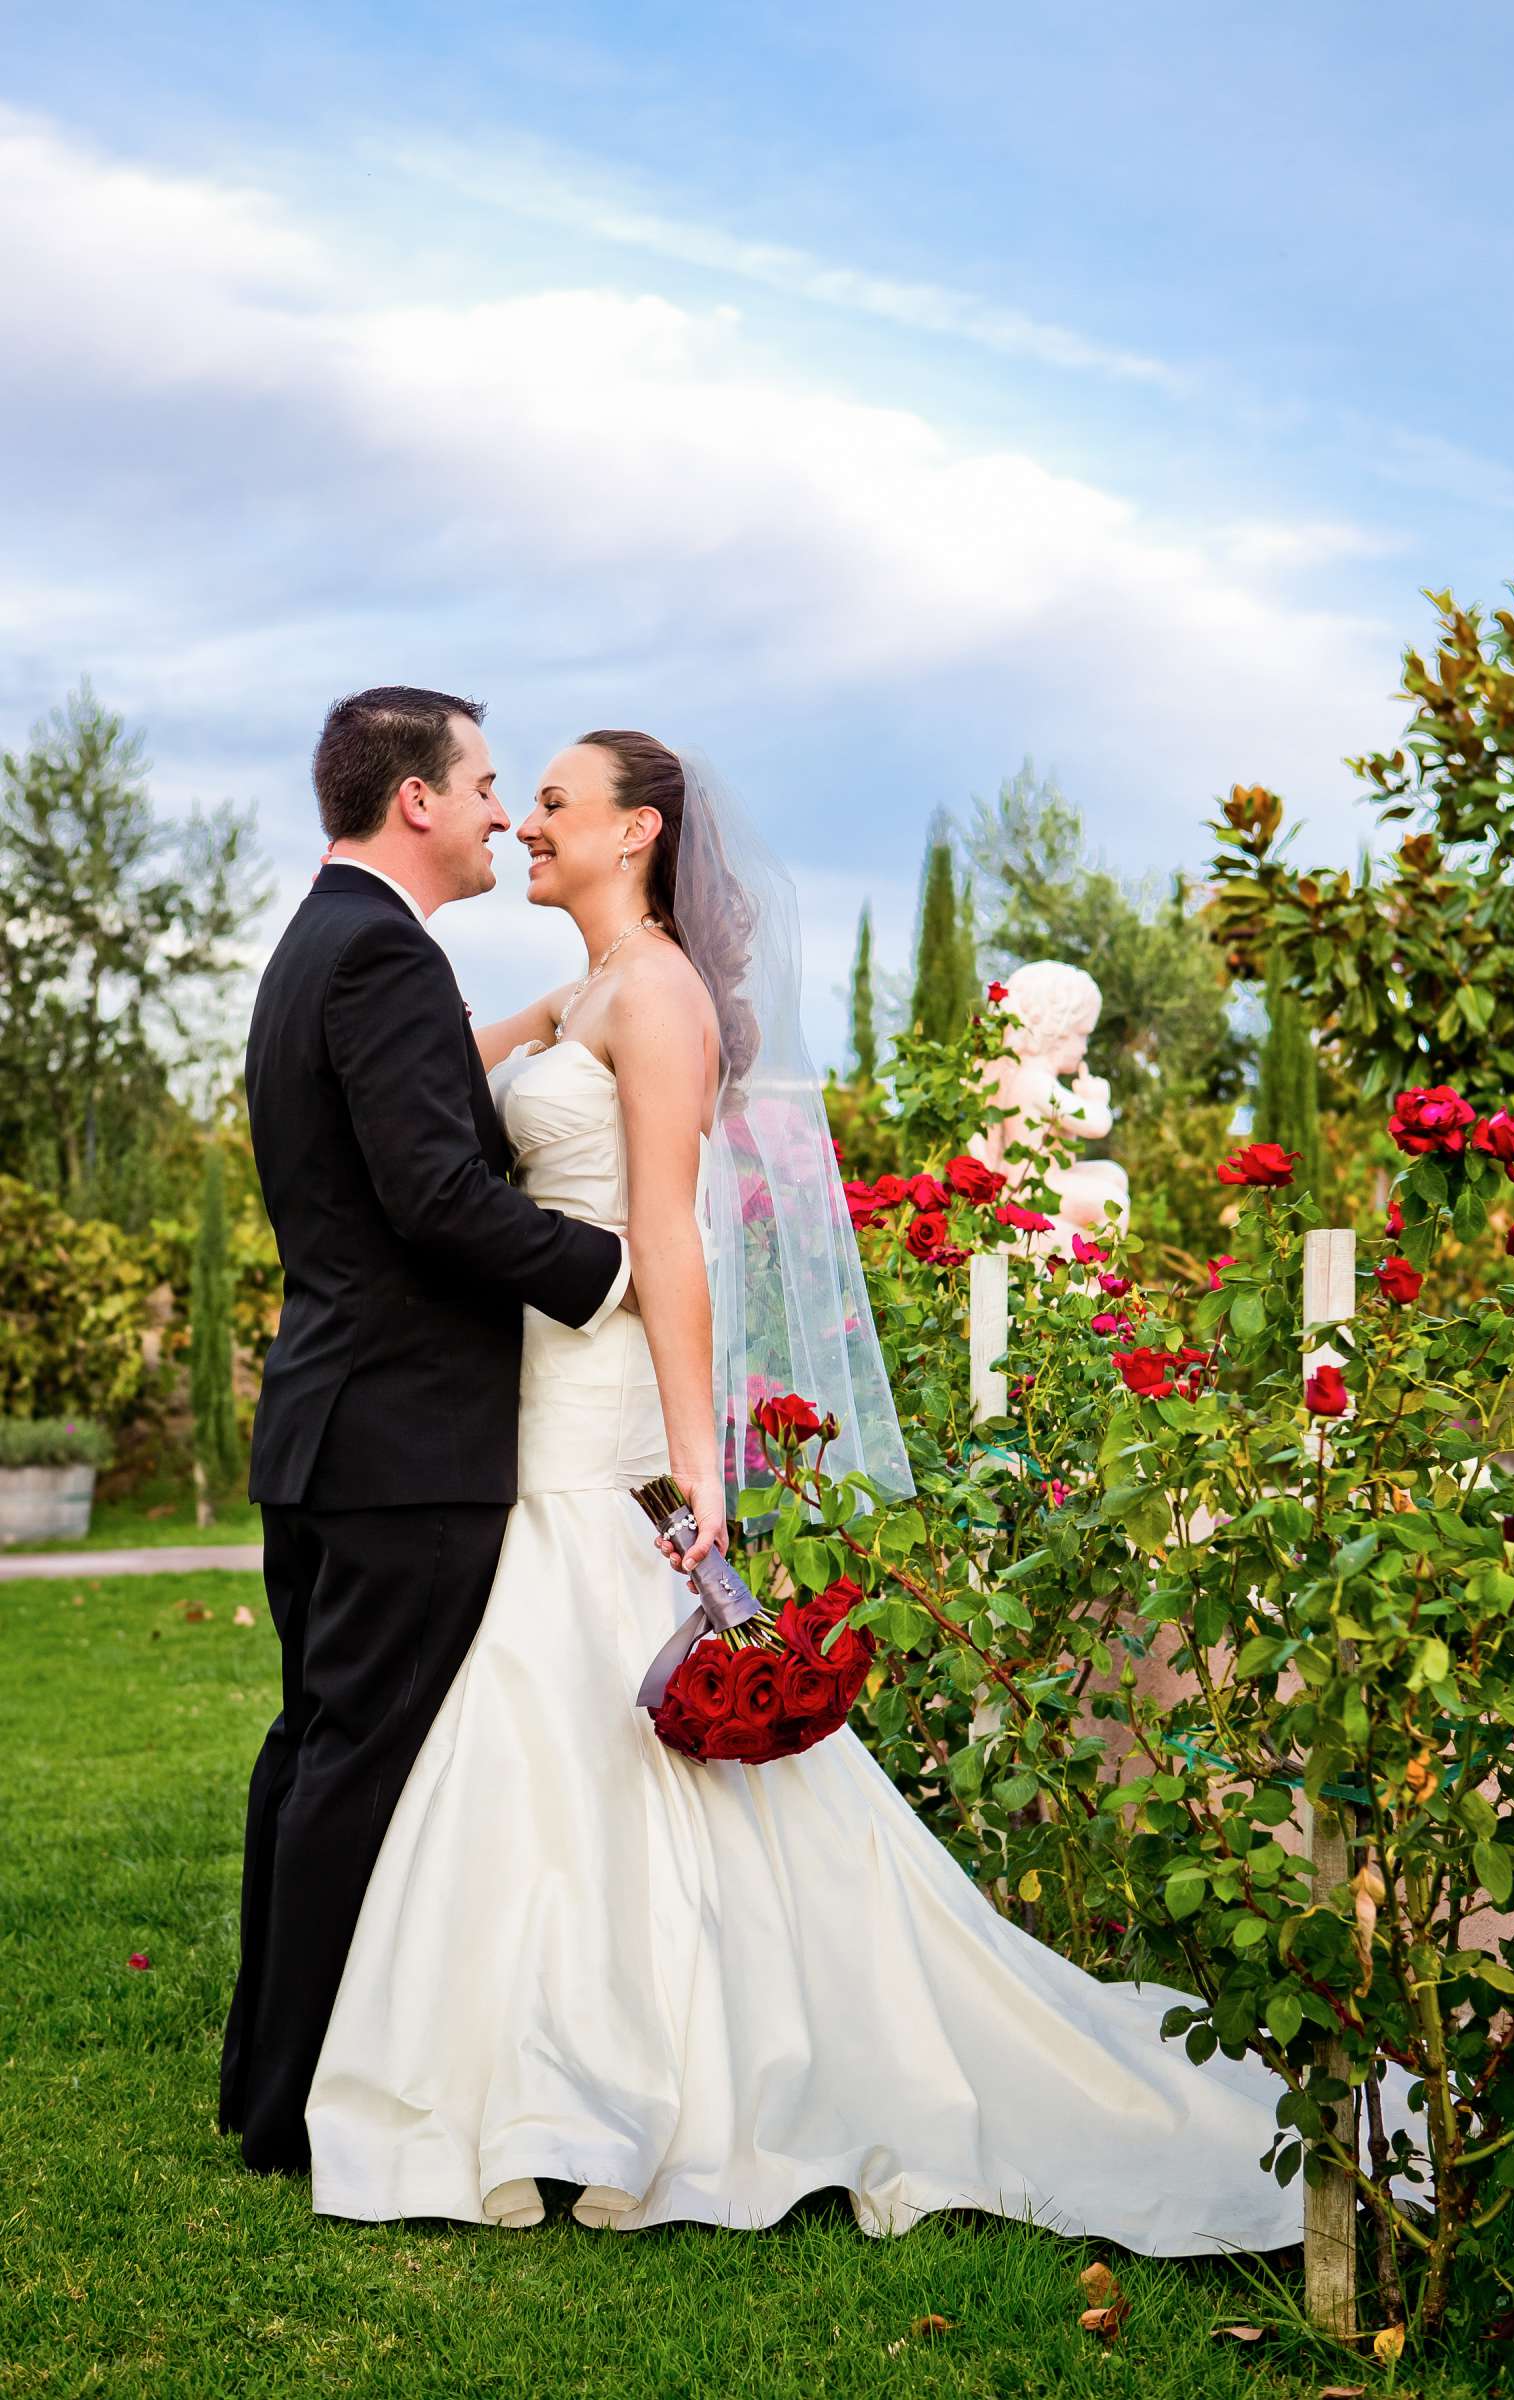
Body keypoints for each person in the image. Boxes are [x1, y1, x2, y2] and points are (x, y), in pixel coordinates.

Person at [301, 729, 1299, 2258]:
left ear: (637, 832)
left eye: (554, 804)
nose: (527, 824)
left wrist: (700, 1461)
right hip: (536, 1393)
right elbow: (432, 1084)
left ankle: (637, 2078)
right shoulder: (581, 992)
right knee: (547, 1717)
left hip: (613, 1404)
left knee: (583, 1699)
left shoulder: (663, 999)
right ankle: (543, 2072)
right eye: (518, 799)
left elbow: (675, 1236)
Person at [220, 690, 630, 2175]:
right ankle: (302, 2105)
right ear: (415, 801)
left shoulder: (324, 941)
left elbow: (415, 1105)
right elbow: (438, 1201)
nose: (500, 811)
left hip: (331, 1424)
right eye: (482, 783)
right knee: (362, 1762)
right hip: (403, 1443)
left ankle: (266, 2084)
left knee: (316, 1750)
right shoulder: (383, 950)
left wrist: (545, 1020)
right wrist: (615, 1272)